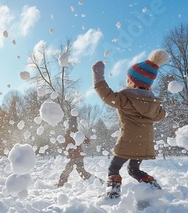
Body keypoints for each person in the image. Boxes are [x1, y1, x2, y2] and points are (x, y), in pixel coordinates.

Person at [91, 49, 169, 199]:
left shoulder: (126, 99)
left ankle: (113, 194)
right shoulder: (152, 103)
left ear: (132, 82)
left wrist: (98, 77)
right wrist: (158, 108)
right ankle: (153, 186)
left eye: (128, 80)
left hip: (128, 141)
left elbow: (107, 96)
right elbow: (161, 115)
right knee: (134, 169)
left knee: (113, 168)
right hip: (144, 144)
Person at [57, 117, 93, 187]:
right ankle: (94, 181)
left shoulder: (72, 134)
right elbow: (87, 141)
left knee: (69, 170)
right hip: (76, 156)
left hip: (76, 156)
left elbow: (63, 144)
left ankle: (61, 183)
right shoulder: (77, 133)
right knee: (80, 171)